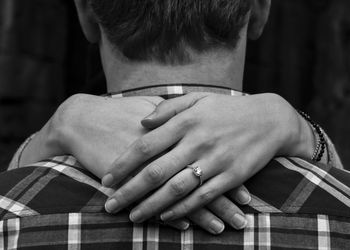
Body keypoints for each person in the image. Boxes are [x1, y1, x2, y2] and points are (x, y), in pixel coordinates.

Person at [1, 0, 349, 248]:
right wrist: (304, 133)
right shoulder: (341, 215)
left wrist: (53, 129)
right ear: (260, 9)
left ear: (85, 13)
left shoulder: (9, 216)